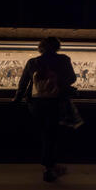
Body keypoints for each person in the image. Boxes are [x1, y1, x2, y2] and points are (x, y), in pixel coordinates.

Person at [12, 37, 77, 182]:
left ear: (40, 48)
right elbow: (72, 78)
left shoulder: (33, 62)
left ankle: (49, 165)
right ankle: (49, 167)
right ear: (57, 47)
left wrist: (16, 99)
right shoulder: (64, 60)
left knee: (45, 133)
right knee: (51, 134)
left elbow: (23, 83)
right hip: (56, 103)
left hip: (36, 104)